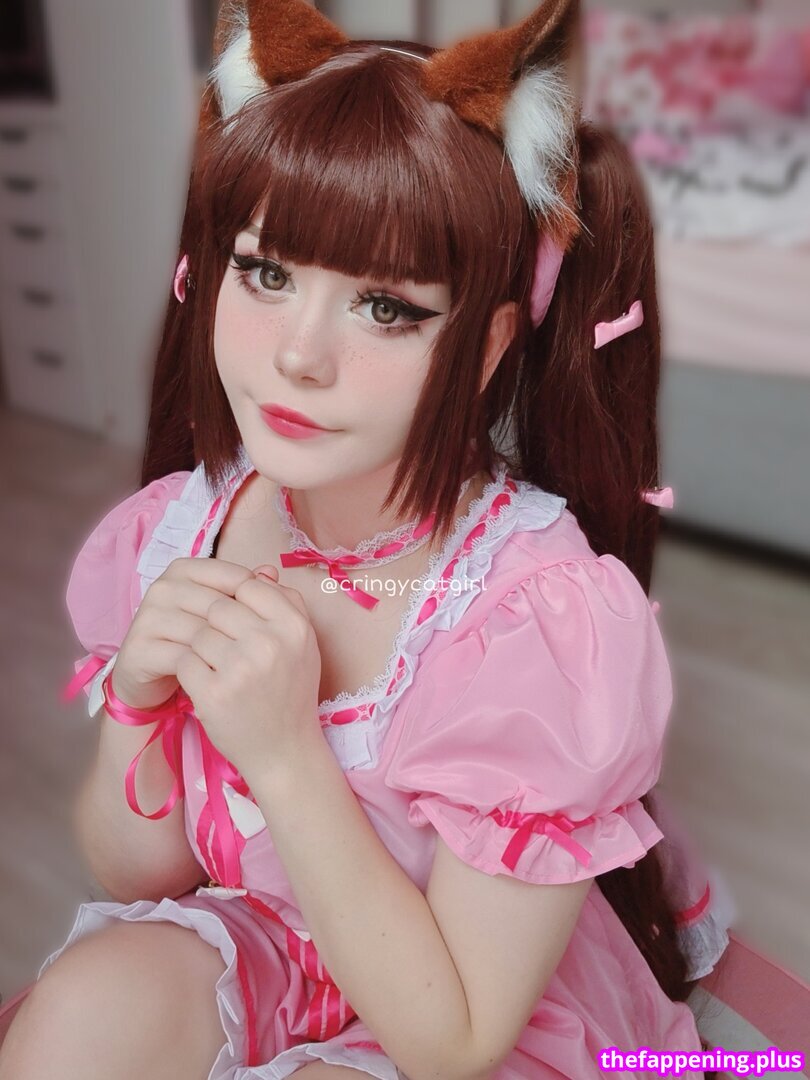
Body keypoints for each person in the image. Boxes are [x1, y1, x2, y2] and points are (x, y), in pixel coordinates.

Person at [0, 1, 734, 1077]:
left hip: (462, 995)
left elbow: (454, 1040)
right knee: (76, 1018)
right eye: (266, 273)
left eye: (385, 307)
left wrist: (286, 754)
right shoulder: (181, 529)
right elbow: (135, 874)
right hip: (280, 935)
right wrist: (137, 703)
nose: (297, 356)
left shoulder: (531, 613)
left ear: (489, 343)